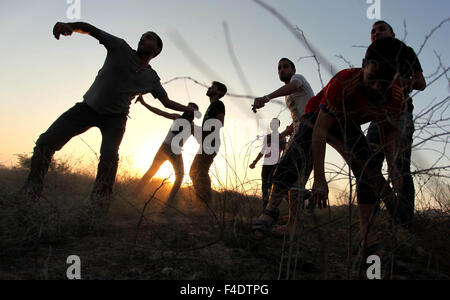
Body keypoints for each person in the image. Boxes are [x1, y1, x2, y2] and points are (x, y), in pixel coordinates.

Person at [252, 38, 411, 250]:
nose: (375, 88)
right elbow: (320, 129)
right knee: (296, 155)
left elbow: (386, 130)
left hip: (346, 123)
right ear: (364, 65)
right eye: (372, 78)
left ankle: (370, 239)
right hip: (317, 116)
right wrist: (320, 179)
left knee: (369, 169)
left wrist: (392, 166)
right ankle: (271, 210)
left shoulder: (396, 96)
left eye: (384, 83)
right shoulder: (345, 80)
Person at [22, 22, 193, 217]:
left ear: (157, 49)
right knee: (45, 143)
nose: (142, 39)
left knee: (109, 158)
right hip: (86, 108)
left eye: (149, 37)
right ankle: (30, 194)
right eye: (142, 36)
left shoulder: (151, 78)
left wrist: (186, 108)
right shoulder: (120, 48)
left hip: (115, 120)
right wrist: (70, 26)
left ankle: (99, 207)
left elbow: (166, 102)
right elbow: (92, 30)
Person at [366, 20, 426, 224]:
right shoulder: (371, 54)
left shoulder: (405, 51)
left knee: (400, 166)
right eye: (373, 31)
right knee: (369, 163)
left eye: (381, 29)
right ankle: (377, 214)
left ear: (392, 33)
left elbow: (421, 82)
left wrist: (402, 82)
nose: (376, 33)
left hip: (401, 114)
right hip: (376, 116)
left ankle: (405, 220)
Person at [251, 58, 315, 235]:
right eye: (279, 68)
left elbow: (293, 86)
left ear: (293, 69)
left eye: (285, 67)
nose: (282, 70)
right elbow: (297, 118)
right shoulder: (289, 97)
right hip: (300, 133)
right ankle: (295, 223)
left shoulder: (298, 79)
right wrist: (287, 133)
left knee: (283, 172)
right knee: (296, 179)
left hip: (310, 130)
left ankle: (269, 213)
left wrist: (266, 97)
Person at [135, 95, 199, 206]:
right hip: (167, 148)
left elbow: (201, 138)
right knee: (155, 172)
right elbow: (159, 112)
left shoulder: (191, 125)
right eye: (186, 107)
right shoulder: (178, 117)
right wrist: (144, 103)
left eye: (190, 108)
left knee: (177, 177)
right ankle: (135, 195)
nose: (187, 109)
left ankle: (167, 203)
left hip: (172, 150)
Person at [189, 81, 227, 207]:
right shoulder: (211, 106)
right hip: (207, 143)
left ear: (218, 92)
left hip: (211, 143)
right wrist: (195, 129)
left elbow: (220, 123)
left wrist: (200, 130)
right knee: (196, 171)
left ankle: (205, 206)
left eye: (212, 87)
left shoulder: (218, 104)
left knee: (199, 171)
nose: (209, 88)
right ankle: (203, 204)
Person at [249, 118, 287, 209]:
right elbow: (263, 150)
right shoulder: (268, 137)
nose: (272, 125)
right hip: (266, 164)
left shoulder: (282, 137)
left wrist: (280, 163)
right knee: (264, 187)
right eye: (271, 123)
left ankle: (271, 209)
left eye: (275, 124)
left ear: (278, 125)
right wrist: (254, 162)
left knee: (271, 186)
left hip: (275, 164)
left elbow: (285, 151)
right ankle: (265, 208)